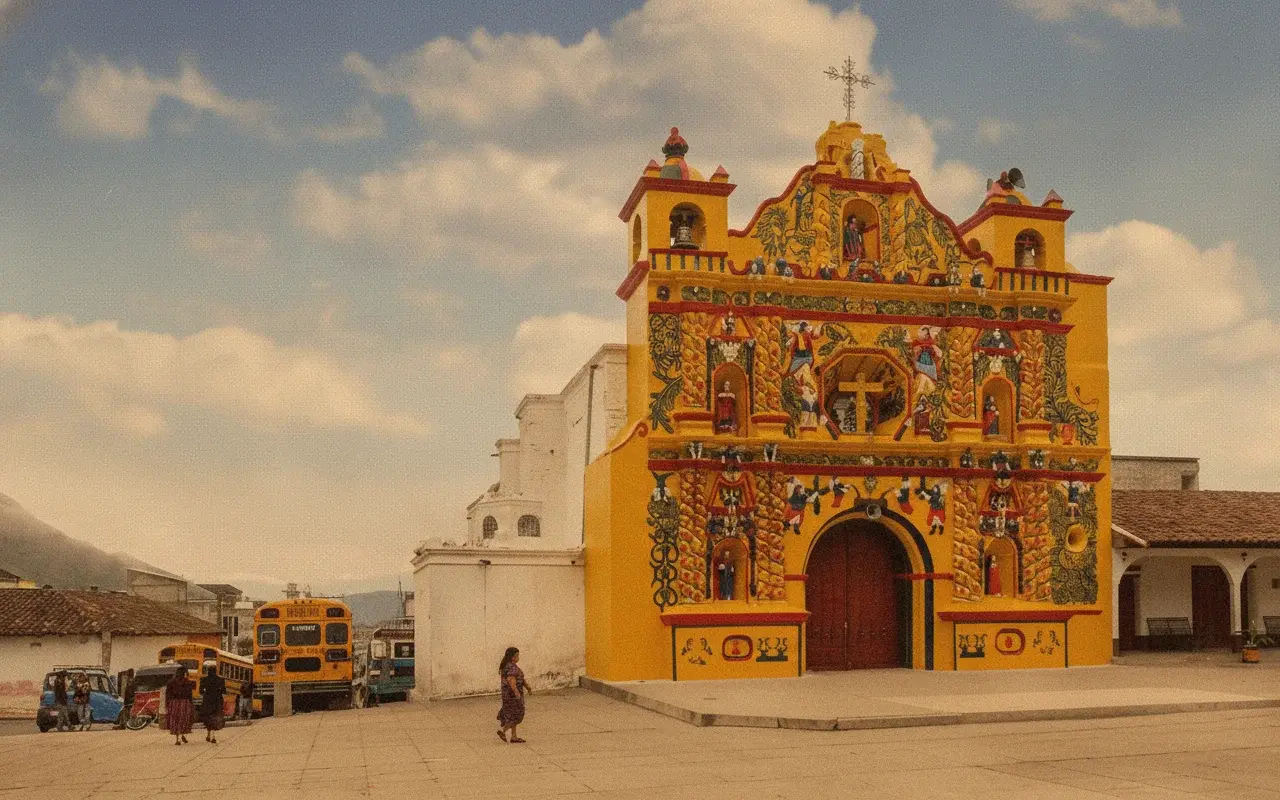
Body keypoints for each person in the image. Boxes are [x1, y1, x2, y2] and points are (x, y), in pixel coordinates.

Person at [496, 647, 530, 744]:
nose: (518, 657)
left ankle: (514, 736)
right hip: (513, 696)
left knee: (512, 714)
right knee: (517, 715)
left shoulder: (506, 666)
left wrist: (527, 687)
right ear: (513, 657)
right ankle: (503, 731)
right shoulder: (512, 668)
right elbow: (512, 682)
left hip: (507, 695)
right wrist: (517, 694)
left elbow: (520, 680)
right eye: (517, 655)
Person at [165, 665, 195, 746]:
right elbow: (190, 694)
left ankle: (177, 739)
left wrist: (167, 703)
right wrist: (191, 703)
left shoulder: (171, 682)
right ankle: (183, 734)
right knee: (183, 719)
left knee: (175, 720)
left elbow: (168, 694)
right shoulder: (187, 682)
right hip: (184, 703)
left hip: (174, 703)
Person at [198, 665, 225, 743]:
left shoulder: (204, 679)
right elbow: (223, 691)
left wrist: (206, 694)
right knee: (215, 716)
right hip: (217, 700)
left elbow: (200, 691)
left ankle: (208, 734)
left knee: (208, 717)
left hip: (207, 700)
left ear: (208, 671)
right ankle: (213, 736)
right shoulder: (220, 680)